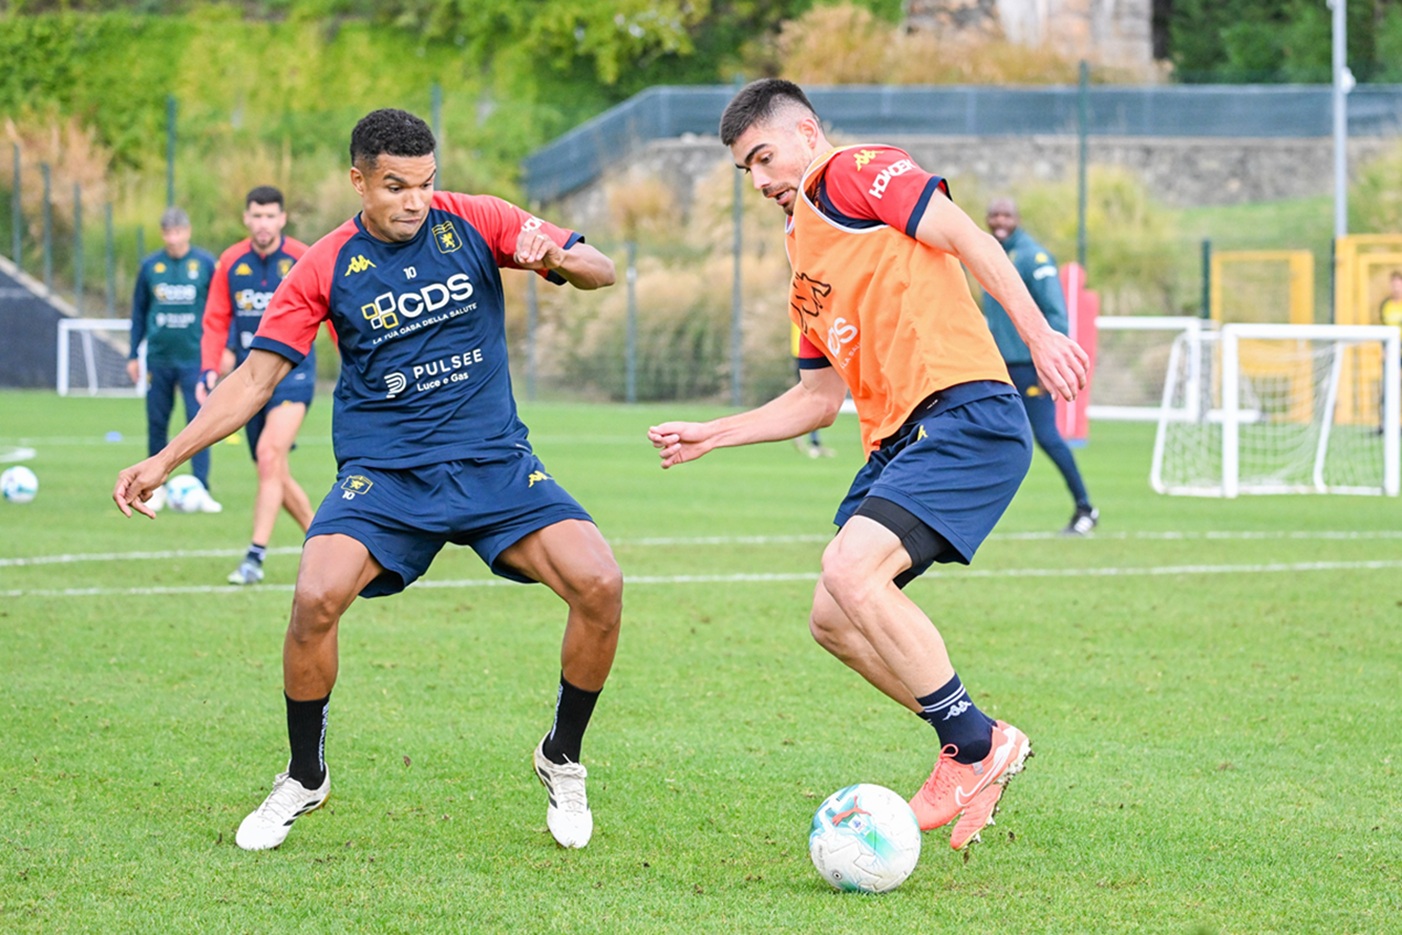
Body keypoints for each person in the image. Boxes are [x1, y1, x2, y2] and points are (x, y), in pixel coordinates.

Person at [113, 108, 621, 852]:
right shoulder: (322, 265)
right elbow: (256, 378)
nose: (413, 200)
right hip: (386, 474)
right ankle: (305, 773)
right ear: (358, 180)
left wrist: (559, 260)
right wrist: (165, 459)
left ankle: (561, 757)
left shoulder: (476, 220)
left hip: (494, 462)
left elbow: (598, 268)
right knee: (314, 597)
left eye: (424, 183)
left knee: (601, 583)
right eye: (394, 186)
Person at [647, 79, 1088, 852]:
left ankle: (972, 748)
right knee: (833, 617)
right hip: (898, 441)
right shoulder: (800, 255)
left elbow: (967, 237)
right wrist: (715, 433)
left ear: (807, 134)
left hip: (964, 409)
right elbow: (817, 400)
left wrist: (1042, 334)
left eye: (764, 156)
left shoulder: (852, 172)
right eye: (745, 170)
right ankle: (979, 739)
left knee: (852, 570)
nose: (759, 180)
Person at [200, 186, 315, 585]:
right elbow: (216, 319)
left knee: (269, 455)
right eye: (256, 216)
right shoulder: (231, 262)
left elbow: (334, 314)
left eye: (270, 216)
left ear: (282, 219)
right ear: (246, 219)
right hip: (252, 379)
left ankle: (254, 557)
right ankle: (326, 544)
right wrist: (208, 369)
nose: (263, 223)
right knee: (274, 472)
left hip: (295, 375)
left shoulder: (303, 258)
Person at [982, 197, 1098, 536]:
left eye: (1005, 215)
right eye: (993, 214)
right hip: (1000, 367)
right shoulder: (992, 254)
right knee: (987, 434)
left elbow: (1056, 312)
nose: (999, 220)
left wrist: (1051, 364)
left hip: (1029, 367)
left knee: (1047, 436)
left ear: (1017, 218)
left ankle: (1085, 507)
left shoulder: (1034, 258)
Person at [127, 206, 221, 512]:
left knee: (200, 422)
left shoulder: (205, 264)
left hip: (195, 359)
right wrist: (133, 354)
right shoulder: (151, 266)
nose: (173, 238)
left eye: (178, 232)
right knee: (157, 422)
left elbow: (220, 311)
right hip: (158, 359)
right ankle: (156, 487)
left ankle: (201, 487)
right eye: (168, 232)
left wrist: (218, 353)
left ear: (188, 231)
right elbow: (139, 312)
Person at [790, 322, 834, 458]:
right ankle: (811, 441)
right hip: (807, 354)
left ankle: (809, 439)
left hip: (805, 352)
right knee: (814, 398)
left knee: (813, 397)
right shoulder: (806, 305)